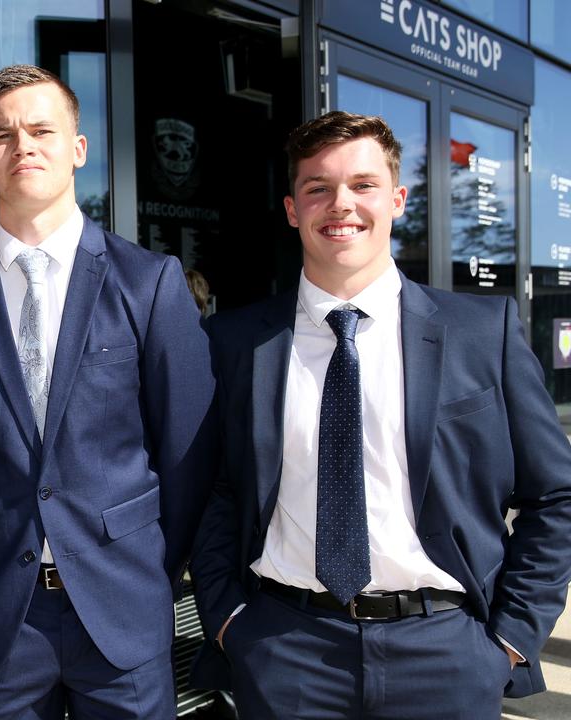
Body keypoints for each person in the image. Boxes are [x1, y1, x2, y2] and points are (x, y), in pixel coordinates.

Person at [189, 111, 571, 718]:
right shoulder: (235, 343)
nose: (341, 204)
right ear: (293, 209)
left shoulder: (481, 333)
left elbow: (556, 495)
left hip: (446, 652)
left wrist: (510, 641)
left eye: (362, 185)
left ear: (395, 199)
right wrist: (230, 620)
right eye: (318, 187)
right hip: (286, 652)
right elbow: (214, 490)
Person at [0, 64, 215, 718]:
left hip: (123, 612)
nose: (23, 146)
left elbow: (186, 455)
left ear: (78, 149)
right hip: (0, 621)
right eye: (3, 135)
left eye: (42, 129)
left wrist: (148, 569)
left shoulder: (149, 283)